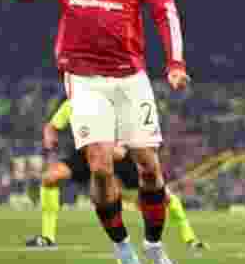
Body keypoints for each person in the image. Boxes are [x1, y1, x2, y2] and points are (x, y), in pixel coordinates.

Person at [0, 0, 191, 264]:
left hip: (131, 77)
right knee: (99, 167)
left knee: (149, 167)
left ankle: (154, 243)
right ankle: (121, 243)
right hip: (84, 78)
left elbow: (164, 11)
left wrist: (175, 63)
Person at [25, 99, 205, 252]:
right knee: (50, 177)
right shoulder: (75, 101)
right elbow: (53, 125)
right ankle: (47, 237)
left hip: (120, 158)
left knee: (162, 195)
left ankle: (190, 238)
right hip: (88, 154)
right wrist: (50, 134)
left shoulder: (118, 98)